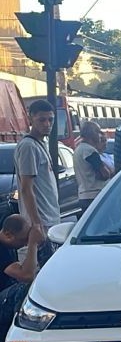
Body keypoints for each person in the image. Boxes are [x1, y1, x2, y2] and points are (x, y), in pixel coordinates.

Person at [14, 100, 60, 241]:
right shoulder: (29, 146)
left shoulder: (40, 144)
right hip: (41, 221)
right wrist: (36, 223)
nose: (47, 124)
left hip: (50, 217)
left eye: (50, 119)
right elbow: (27, 188)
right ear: (30, 119)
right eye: (42, 120)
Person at [0, 214, 43, 337]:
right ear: (8, 235)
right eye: (23, 240)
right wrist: (32, 244)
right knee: (23, 288)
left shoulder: (7, 245)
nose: (25, 244)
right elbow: (27, 275)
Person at [73, 121, 114, 217]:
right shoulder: (89, 150)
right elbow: (105, 174)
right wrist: (109, 170)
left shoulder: (79, 149)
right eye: (98, 132)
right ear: (93, 133)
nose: (100, 135)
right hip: (95, 195)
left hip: (84, 195)